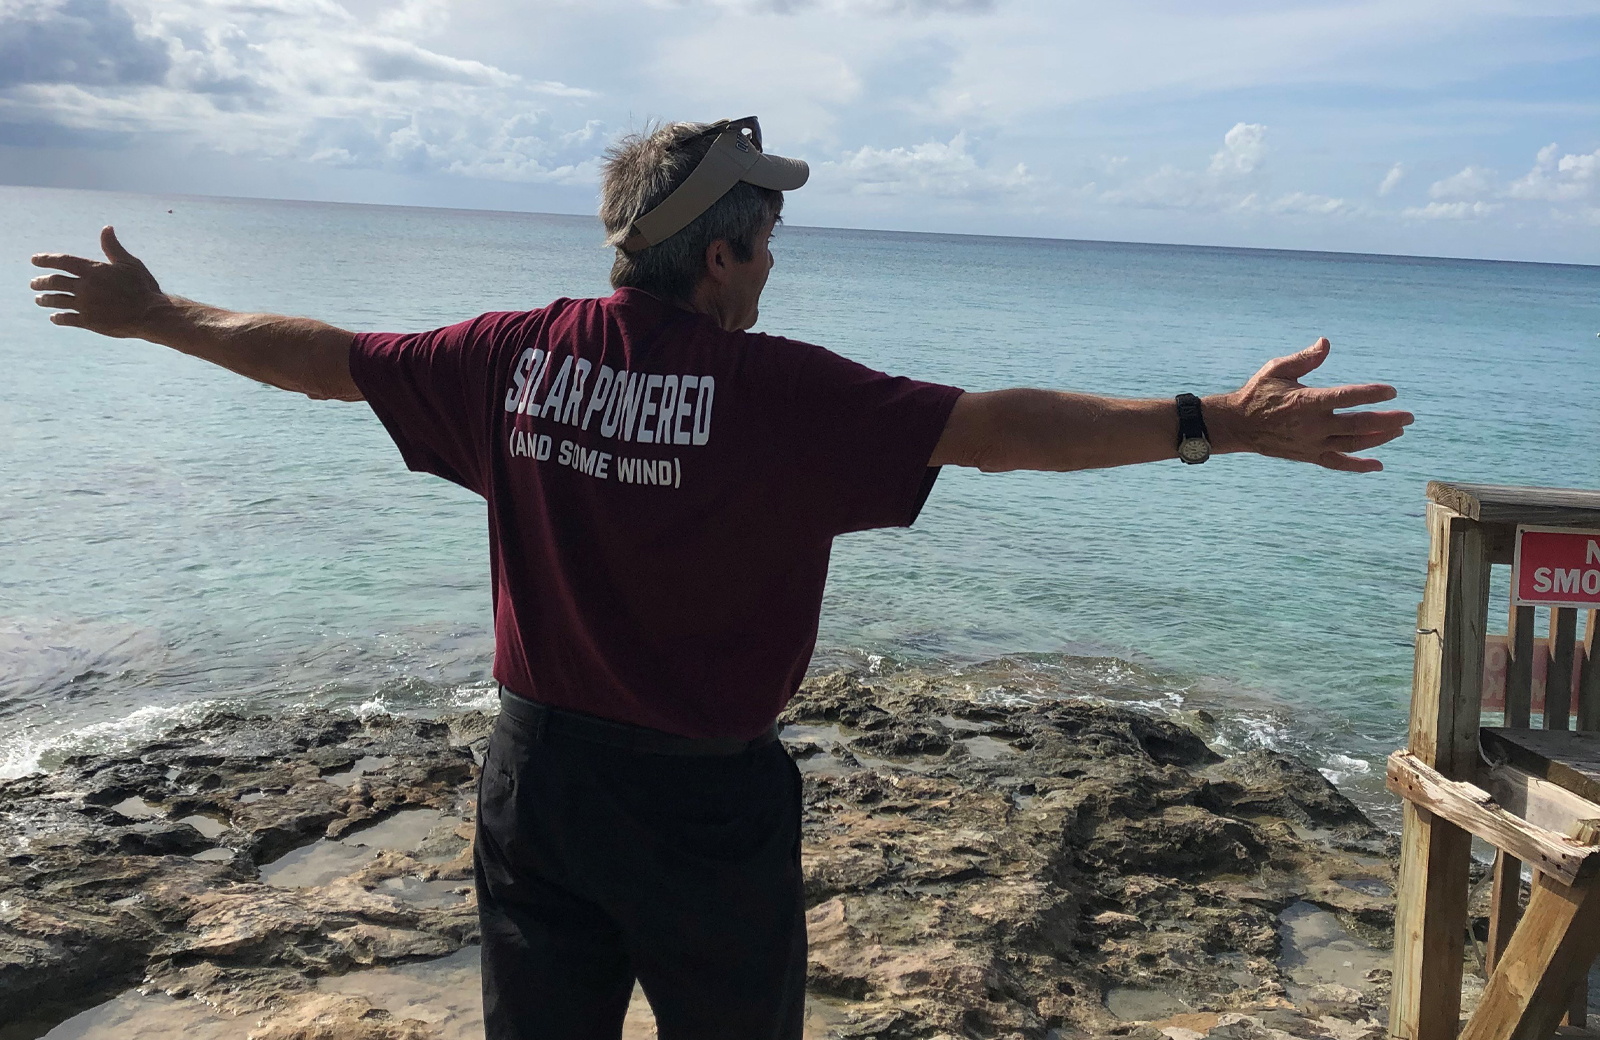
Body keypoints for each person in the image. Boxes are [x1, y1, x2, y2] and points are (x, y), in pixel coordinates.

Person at [28, 117, 1413, 1040]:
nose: (770, 277)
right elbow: (1002, 432)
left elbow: (323, 358)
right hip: (704, 809)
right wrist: (1213, 424)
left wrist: (161, 318)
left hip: (537, 785)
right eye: (766, 251)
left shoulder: (510, 355)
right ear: (722, 251)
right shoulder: (776, 397)